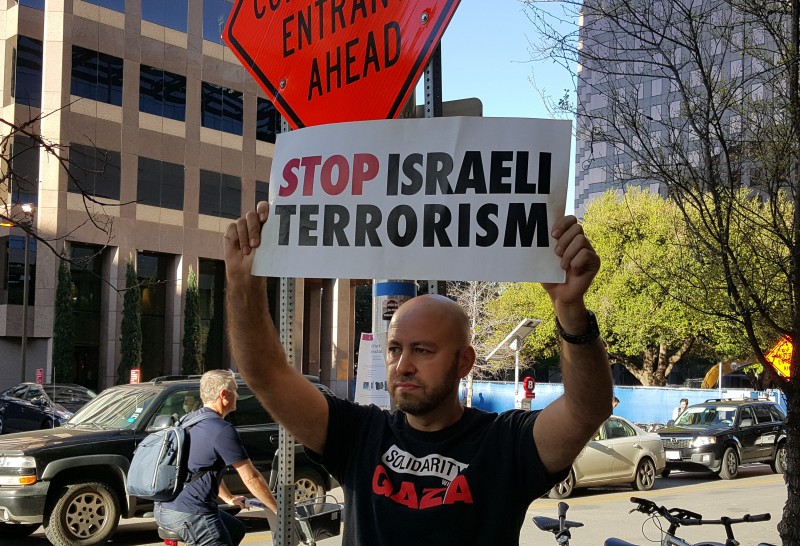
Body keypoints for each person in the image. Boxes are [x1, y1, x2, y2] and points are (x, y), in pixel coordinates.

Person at [223, 202, 612, 545]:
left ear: (465, 362)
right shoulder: (357, 434)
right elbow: (266, 374)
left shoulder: (504, 445)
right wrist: (243, 285)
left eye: (422, 350)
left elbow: (587, 409)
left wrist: (571, 311)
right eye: (395, 349)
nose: (402, 365)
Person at [154, 370, 278, 546]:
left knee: (235, 529)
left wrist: (228, 498)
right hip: (192, 514)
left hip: (164, 509)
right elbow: (252, 478)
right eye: (235, 390)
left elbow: (203, 467)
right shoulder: (221, 429)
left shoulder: (188, 420)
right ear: (224, 395)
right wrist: (278, 511)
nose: (237, 394)